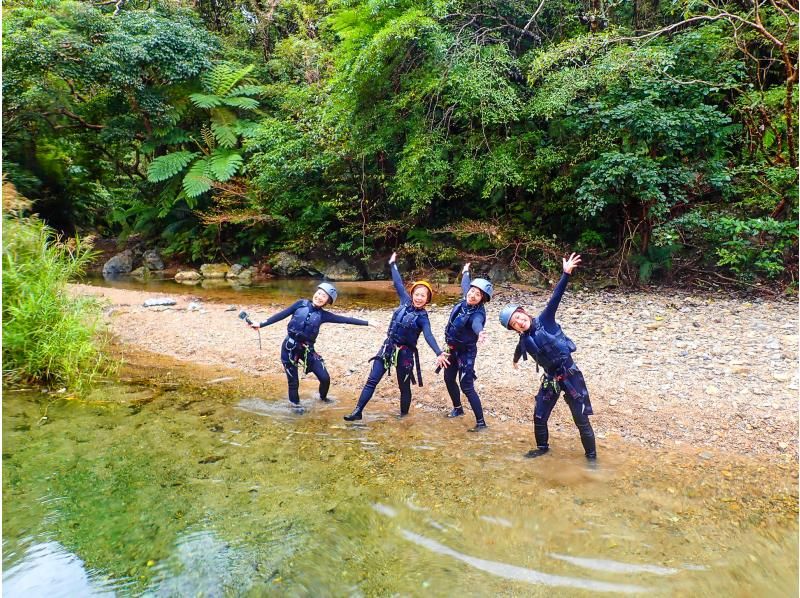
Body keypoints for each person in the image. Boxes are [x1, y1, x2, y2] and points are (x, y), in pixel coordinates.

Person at [498, 253, 597, 462]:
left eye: (519, 317)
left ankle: (591, 458)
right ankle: (542, 448)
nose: (519, 322)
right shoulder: (523, 339)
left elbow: (556, 297)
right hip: (550, 379)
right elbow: (519, 348)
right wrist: (514, 361)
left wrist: (566, 274)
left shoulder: (545, 320)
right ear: (514, 329)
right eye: (515, 323)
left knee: (581, 419)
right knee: (539, 416)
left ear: (525, 313)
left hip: (569, 374)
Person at [344, 253, 449, 421]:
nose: (419, 297)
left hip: (405, 354)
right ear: (412, 294)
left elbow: (428, 335)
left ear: (427, 299)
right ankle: (357, 411)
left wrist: (438, 352)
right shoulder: (405, 301)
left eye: (423, 295)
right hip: (388, 347)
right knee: (372, 380)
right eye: (417, 293)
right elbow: (398, 283)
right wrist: (393, 264)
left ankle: (403, 416)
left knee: (404, 386)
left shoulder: (423, 317)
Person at [251, 282, 368, 410]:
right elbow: (281, 315)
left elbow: (346, 319)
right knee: (293, 382)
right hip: (289, 349)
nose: (319, 297)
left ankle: (322, 398)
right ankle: (295, 406)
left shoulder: (323, 315)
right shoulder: (300, 304)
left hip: (307, 351)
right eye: (318, 293)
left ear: (328, 301)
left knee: (325, 378)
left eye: (323, 296)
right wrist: (260, 324)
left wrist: (368, 322)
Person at [439, 262, 492, 431]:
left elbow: (476, 324)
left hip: (466, 353)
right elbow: (465, 284)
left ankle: (481, 423)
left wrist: (481, 333)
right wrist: (466, 271)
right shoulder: (465, 299)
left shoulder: (478, 313)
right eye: (472, 291)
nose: (473, 295)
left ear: (482, 299)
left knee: (467, 386)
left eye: (478, 294)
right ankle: (457, 409)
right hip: (451, 348)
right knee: (448, 379)